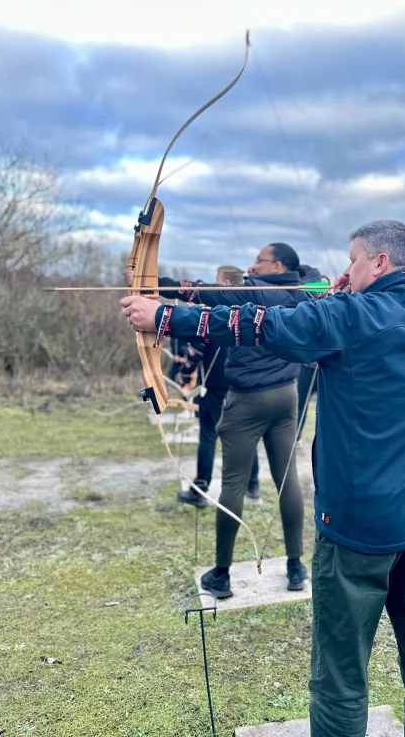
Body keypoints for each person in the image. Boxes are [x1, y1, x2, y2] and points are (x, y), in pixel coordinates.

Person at [121, 220, 405, 737]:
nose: (345, 271)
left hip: (357, 532)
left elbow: (255, 325)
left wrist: (165, 316)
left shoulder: (348, 316)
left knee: (341, 677)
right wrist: (361, 278)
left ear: (381, 263)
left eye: (354, 260)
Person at [152, 243, 318, 597]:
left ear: (275, 266)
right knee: (287, 480)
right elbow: (312, 276)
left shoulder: (256, 290)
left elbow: (206, 292)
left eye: (259, 260)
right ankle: (295, 566)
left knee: (233, 484)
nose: (253, 266)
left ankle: (222, 575)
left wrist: (154, 284)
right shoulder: (304, 289)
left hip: (247, 401)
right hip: (286, 396)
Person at [167, 266, 260, 507]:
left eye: (217, 282)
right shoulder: (254, 314)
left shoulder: (216, 316)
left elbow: (197, 348)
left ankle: (201, 491)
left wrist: (184, 373)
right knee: (245, 438)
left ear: (226, 284)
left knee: (208, 438)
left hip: (218, 391)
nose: (213, 286)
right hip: (243, 391)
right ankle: (253, 483)